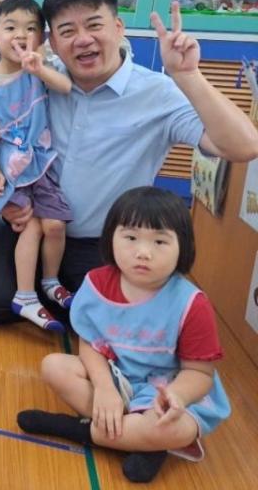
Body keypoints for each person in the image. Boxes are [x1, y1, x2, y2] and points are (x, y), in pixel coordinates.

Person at [0, 0, 258, 326]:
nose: (83, 39)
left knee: (116, 323)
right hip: (34, 225)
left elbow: (243, 147)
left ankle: (73, 305)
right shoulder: (40, 79)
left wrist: (188, 76)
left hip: (100, 244)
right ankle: (61, 301)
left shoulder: (156, 93)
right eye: (67, 31)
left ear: (118, 28)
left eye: (94, 24)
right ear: (53, 43)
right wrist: (9, 203)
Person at [17, 187, 231, 484]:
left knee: (174, 429)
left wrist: (177, 397)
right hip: (118, 378)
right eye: (130, 237)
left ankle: (80, 430)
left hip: (166, 391)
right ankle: (141, 441)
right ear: (111, 238)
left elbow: (200, 373)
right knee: (53, 366)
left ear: (183, 247)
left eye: (160, 241)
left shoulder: (192, 303)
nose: (143, 252)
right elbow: (90, 343)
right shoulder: (96, 283)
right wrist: (104, 387)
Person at [0, 0, 74, 332]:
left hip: (37, 162)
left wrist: (40, 69)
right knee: (32, 226)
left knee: (54, 225)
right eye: (11, 28)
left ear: (41, 38)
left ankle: (50, 283)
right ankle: (25, 296)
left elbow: (66, 88)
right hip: (8, 169)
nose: (21, 35)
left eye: (31, 28)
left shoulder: (39, 67)